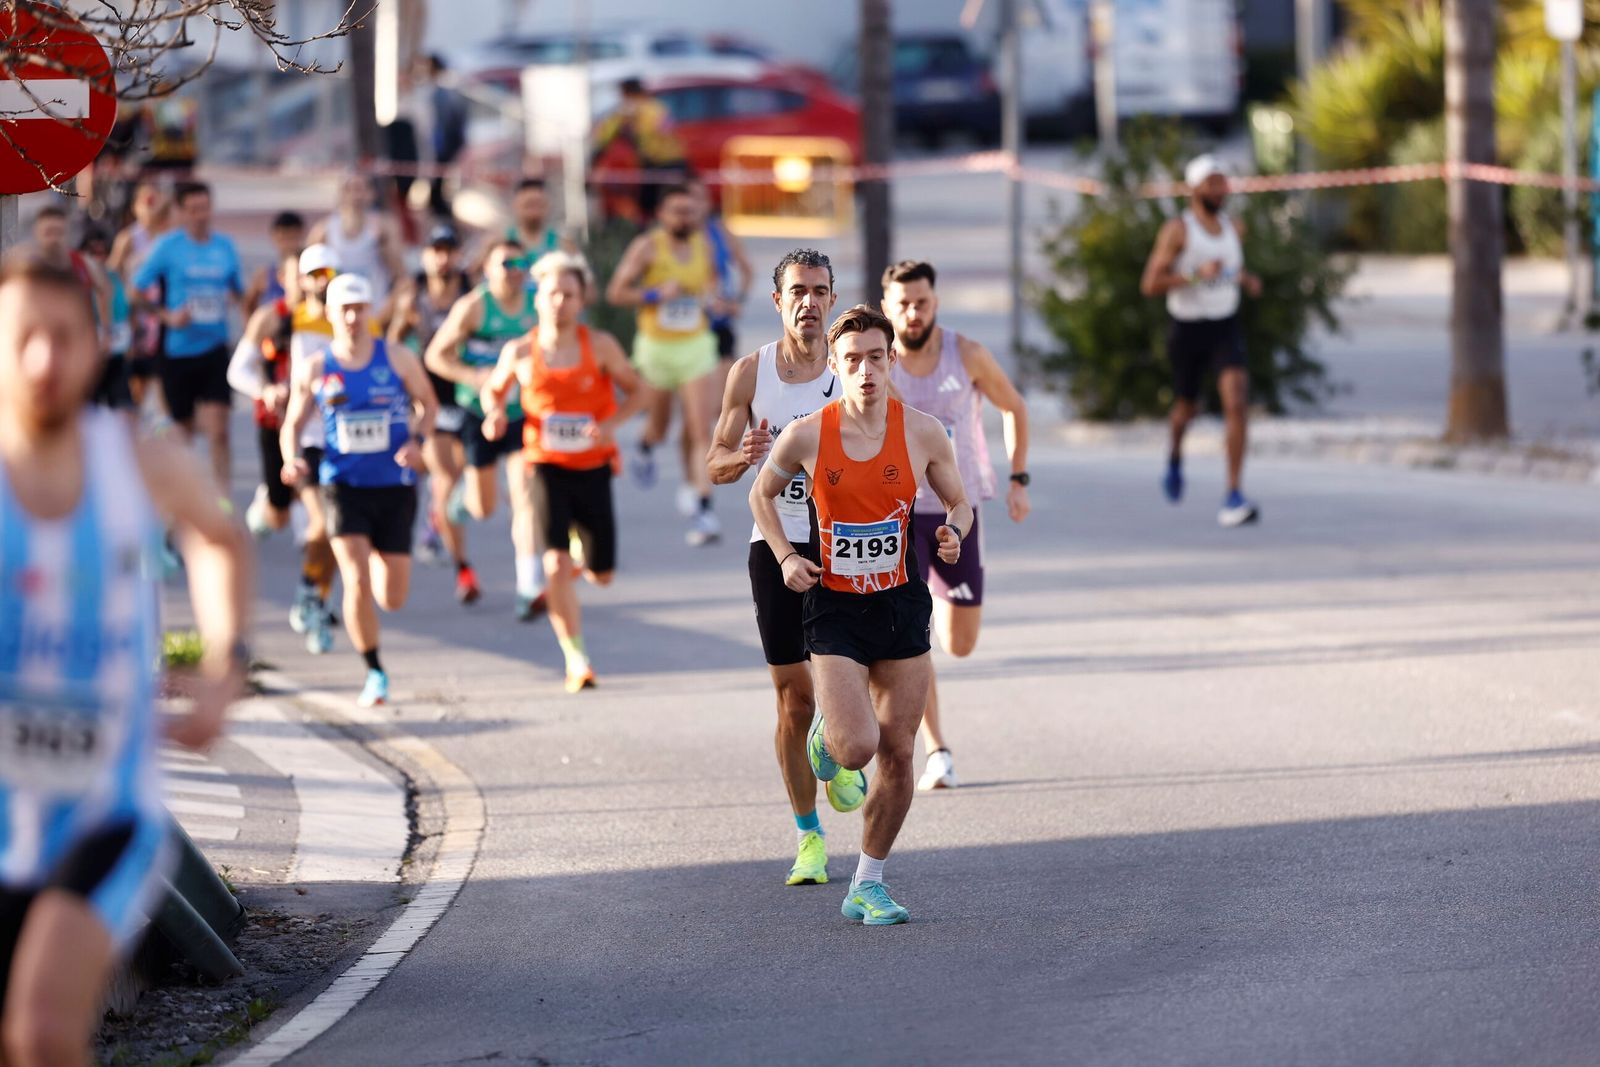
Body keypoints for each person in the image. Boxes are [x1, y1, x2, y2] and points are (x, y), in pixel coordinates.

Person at [0, 257, 251, 1065]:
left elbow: (219, 539)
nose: (44, 359)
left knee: (41, 1034)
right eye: (23, 338)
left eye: (63, 338)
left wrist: (224, 666)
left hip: (102, 809)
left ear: (98, 347)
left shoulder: (139, 463)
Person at [749, 304, 970, 926]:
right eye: (852, 361)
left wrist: (952, 530)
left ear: (891, 359)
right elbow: (760, 493)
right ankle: (828, 733)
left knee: (899, 754)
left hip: (899, 601)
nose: (866, 371)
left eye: (876, 357)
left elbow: (959, 501)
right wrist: (786, 555)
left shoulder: (923, 431)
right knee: (854, 751)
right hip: (836, 606)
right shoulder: (808, 434)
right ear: (838, 367)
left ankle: (867, 882)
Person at [709, 248, 872, 886]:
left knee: (851, 680)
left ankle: (842, 741)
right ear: (777, 301)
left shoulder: (853, 368)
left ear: (833, 299)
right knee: (791, 699)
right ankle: (809, 838)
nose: (809, 302)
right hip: (774, 541)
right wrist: (742, 454)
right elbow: (715, 465)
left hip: (848, 543)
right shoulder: (750, 374)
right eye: (797, 292)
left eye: (820, 291)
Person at [880, 260, 1032, 791]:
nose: (912, 313)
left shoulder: (965, 354)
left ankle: (940, 627)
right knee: (912, 638)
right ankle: (937, 749)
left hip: (957, 511)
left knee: (959, 643)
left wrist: (1018, 478)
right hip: (895, 515)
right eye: (902, 304)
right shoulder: (877, 361)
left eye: (921, 302)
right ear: (886, 308)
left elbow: (1014, 407)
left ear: (935, 303)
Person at [481, 252, 650, 692]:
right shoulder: (519, 350)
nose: (559, 301)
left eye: (568, 294)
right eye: (552, 293)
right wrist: (494, 414)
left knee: (601, 575)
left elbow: (639, 392)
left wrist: (610, 425)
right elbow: (493, 393)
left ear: (581, 300)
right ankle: (576, 658)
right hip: (545, 465)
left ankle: (583, 555)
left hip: (593, 466)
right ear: (538, 299)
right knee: (553, 564)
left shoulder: (602, 346)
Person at [281, 273, 436, 707]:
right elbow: (292, 425)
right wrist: (291, 458)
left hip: (394, 485)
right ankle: (374, 671)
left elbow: (429, 406)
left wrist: (416, 441)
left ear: (369, 312)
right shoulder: (316, 368)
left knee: (393, 596)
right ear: (329, 314)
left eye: (359, 309)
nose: (351, 317)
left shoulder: (399, 359)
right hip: (341, 485)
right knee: (355, 578)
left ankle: (373, 653)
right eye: (343, 309)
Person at [228, 243, 346, 654]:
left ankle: (314, 598)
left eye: (326, 274)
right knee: (282, 516)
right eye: (308, 274)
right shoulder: (274, 318)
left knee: (329, 522)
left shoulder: (346, 318)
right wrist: (268, 389)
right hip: (279, 427)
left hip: (330, 438)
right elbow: (237, 371)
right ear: (290, 278)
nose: (317, 283)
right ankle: (266, 507)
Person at [1140, 154, 1264, 528]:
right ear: (1194, 188)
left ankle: (1233, 494)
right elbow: (1150, 284)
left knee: (1237, 403)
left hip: (1225, 324)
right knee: (1186, 409)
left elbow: (1230, 266)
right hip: (1188, 328)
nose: (1220, 190)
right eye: (1212, 183)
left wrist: (1245, 279)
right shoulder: (1178, 230)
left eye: (1223, 182)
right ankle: (1175, 456)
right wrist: (1194, 276)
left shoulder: (1234, 227)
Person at [424, 239, 545, 615]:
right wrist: (474, 375)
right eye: (505, 263)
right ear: (487, 269)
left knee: (525, 495)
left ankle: (529, 585)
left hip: (522, 412)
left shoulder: (536, 303)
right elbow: (435, 356)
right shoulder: (474, 306)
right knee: (483, 508)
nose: (513, 270)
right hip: (479, 413)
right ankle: (459, 499)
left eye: (520, 263)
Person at [606, 185, 727, 547]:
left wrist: (716, 302)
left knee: (701, 426)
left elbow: (712, 288)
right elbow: (616, 292)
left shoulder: (704, 246)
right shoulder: (647, 247)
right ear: (662, 214)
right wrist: (654, 294)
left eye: (690, 211)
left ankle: (702, 506)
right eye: (677, 211)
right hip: (656, 349)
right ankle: (646, 444)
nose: (684, 218)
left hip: (695, 346)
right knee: (659, 426)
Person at [132, 181, 245, 492]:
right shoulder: (168, 247)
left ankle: (223, 503)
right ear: (181, 212)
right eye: (193, 209)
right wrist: (167, 316)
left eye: (204, 208)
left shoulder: (225, 246)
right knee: (181, 434)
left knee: (219, 430)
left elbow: (239, 292)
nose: (200, 215)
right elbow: (135, 290)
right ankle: (180, 500)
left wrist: (240, 306)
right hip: (177, 352)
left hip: (214, 349)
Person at [389, 223, 473, 569]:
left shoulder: (470, 294)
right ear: (425, 256)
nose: (442, 258)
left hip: (466, 391)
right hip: (429, 393)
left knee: (462, 470)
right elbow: (392, 343)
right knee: (446, 472)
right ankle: (445, 541)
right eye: (436, 251)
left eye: (449, 250)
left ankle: (436, 515)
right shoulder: (414, 297)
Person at [108, 178, 172, 414]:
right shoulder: (129, 238)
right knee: (138, 378)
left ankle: (165, 431)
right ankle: (132, 428)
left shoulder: (169, 237)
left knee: (164, 377)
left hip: (164, 312)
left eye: (156, 201)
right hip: (137, 315)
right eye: (147, 201)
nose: (151, 207)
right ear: (136, 206)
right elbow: (113, 274)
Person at [590, 77, 688, 220]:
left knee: (649, 207)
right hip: (677, 163)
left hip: (655, 165)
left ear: (627, 93)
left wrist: (593, 161)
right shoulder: (657, 108)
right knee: (670, 203)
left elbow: (605, 137)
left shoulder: (630, 110)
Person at [308, 173, 406, 308]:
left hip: (375, 310)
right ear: (341, 193)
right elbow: (308, 275)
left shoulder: (386, 226)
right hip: (338, 312)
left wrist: (383, 244)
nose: (356, 195)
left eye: (360, 189)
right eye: (350, 189)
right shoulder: (324, 230)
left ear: (371, 193)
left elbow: (401, 274)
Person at [80, 229, 135, 412]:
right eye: (92, 253)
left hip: (118, 352)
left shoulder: (117, 276)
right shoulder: (78, 281)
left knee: (122, 405)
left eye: (103, 252)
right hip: (90, 354)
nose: (98, 258)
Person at [244, 211, 307, 313]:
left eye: (292, 238)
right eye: (283, 238)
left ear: (301, 235)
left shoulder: (308, 273)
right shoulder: (264, 276)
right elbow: (248, 304)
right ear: (274, 237)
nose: (288, 244)